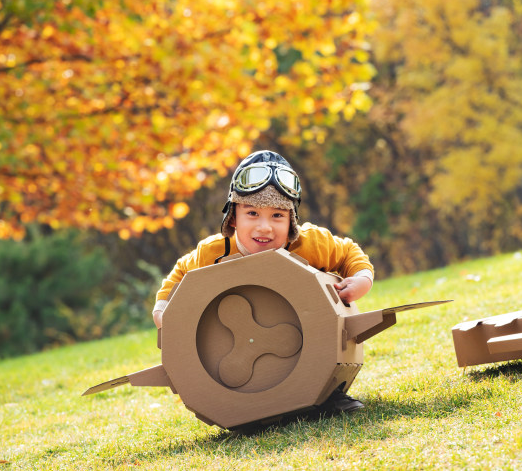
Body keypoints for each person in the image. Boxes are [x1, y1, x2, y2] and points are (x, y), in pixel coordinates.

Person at [151, 150, 374, 412]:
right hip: (242, 353)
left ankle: (328, 394)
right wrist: (163, 308)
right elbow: (180, 273)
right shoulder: (214, 251)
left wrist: (362, 279)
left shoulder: (309, 243)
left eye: (277, 215)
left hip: (306, 337)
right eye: (253, 214)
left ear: (291, 220)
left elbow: (349, 252)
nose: (265, 227)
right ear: (233, 217)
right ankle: (245, 406)